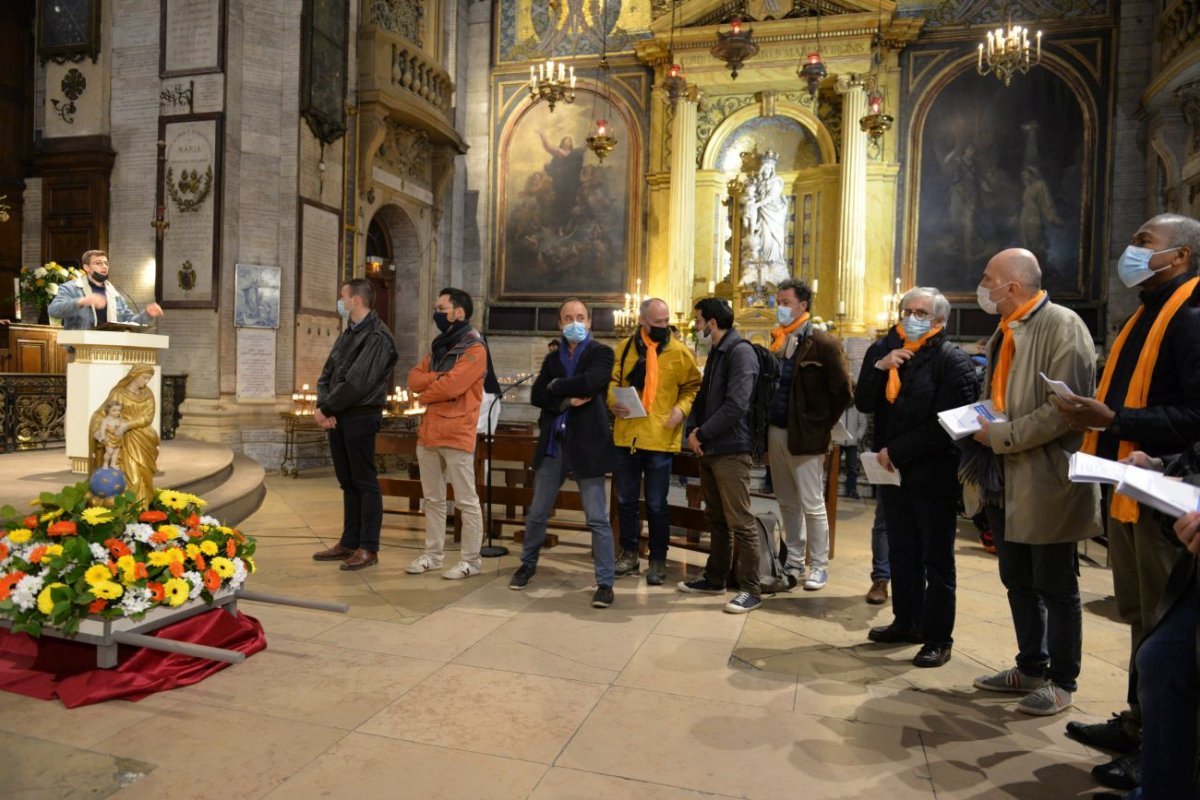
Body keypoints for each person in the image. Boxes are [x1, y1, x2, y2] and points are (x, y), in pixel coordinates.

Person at [1055, 213, 1200, 790]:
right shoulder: (1147, 314)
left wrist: (1115, 418)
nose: (1132, 250)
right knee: (1140, 616)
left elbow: (1194, 418)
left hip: (1170, 502)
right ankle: (1139, 724)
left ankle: (1159, 751)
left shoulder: (1190, 320)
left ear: (1181, 256)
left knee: (1164, 630)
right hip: (1130, 484)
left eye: (1145, 242)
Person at [969, 248, 1100, 715]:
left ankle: (1063, 681)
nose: (982, 286)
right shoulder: (1006, 329)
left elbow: (1064, 412)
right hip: (1004, 475)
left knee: (1056, 584)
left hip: (1045, 480)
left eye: (988, 278)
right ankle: (1030, 667)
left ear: (1013, 286)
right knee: (1017, 578)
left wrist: (1000, 434)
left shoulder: (1062, 326)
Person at [854, 287, 978, 668]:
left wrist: (898, 451)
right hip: (893, 471)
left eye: (920, 311)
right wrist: (880, 368)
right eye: (906, 309)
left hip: (932, 472)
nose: (910, 316)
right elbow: (863, 402)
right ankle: (907, 621)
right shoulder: (885, 351)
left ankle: (938, 637)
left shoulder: (951, 360)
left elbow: (949, 425)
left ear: (939, 321)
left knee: (936, 558)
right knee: (903, 551)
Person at [509, 299, 618, 608]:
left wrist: (557, 386)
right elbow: (538, 395)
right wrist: (567, 400)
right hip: (554, 444)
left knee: (597, 518)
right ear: (559, 323)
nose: (575, 322)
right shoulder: (553, 358)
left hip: (588, 444)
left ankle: (605, 583)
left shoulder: (601, 353)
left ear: (589, 322)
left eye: (580, 317)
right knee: (538, 512)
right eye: (568, 318)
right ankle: (527, 564)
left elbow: (592, 382)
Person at [676, 298, 762, 613]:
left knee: (740, 520)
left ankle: (751, 589)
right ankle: (715, 578)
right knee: (717, 518)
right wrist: (692, 430)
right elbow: (702, 396)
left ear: (712, 322)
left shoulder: (741, 352)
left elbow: (737, 405)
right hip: (711, 447)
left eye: (698, 321)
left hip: (732, 448)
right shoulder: (717, 351)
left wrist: (702, 433)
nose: (695, 327)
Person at [609, 297, 702, 585]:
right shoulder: (625, 349)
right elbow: (612, 381)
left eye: (666, 321)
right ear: (642, 321)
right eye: (657, 322)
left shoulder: (678, 352)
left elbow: (693, 387)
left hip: (661, 436)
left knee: (656, 503)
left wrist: (681, 410)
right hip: (628, 435)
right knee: (625, 501)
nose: (664, 326)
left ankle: (658, 560)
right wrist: (613, 401)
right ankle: (628, 554)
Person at [767, 278, 851, 591]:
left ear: (803, 305)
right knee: (787, 502)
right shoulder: (777, 341)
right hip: (776, 429)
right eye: (779, 301)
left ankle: (819, 566)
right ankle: (793, 561)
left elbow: (843, 390)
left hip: (806, 434)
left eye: (786, 302)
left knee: (812, 504)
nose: (781, 308)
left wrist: (819, 424)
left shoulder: (823, 343)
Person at [311, 280, 399, 571]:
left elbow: (358, 382)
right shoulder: (348, 332)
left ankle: (368, 547)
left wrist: (327, 407)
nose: (340, 301)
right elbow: (327, 374)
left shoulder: (378, 336)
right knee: (347, 481)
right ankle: (349, 541)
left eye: (343, 297)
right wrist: (325, 407)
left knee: (364, 482)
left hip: (361, 414)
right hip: (339, 415)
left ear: (357, 300)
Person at [406, 288, 489, 580]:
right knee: (433, 499)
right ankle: (433, 555)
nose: (437, 313)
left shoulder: (474, 349)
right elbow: (413, 378)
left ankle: (471, 561)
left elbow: (454, 387)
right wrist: (436, 381)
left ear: (459, 313)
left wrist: (428, 392)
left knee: (466, 501)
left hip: (456, 431)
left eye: (442, 308)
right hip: (429, 432)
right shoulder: (439, 347)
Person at [88, 364, 158, 508]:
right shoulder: (118, 393)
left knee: (144, 473)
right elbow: (102, 413)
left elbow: (148, 417)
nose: (146, 382)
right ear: (135, 375)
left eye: (149, 379)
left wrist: (127, 425)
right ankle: (127, 507)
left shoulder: (148, 393)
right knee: (129, 475)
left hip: (142, 437)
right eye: (145, 378)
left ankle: (142, 504)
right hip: (120, 439)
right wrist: (98, 431)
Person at [48, 250, 164, 330]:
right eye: (98, 263)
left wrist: (147, 314)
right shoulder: (71, 288)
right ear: (86, 267)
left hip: (109, 349)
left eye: (106, 263)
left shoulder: (114, 294)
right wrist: (83, 301)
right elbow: (53, 310)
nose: (104, 267)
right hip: (79, 350)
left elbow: (128, 322)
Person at [835, 404, 868, 500]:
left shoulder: (857, 407)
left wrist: (858, 437)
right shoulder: (839, 403)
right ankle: (831, 489)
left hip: (852, 443)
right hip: (838, 441)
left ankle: (851, 491)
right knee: (834, 467)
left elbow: (863, 424)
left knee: (852, 467)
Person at [93, 401, 123, 469]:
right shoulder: (106, 420)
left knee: (116, 452)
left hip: (117, 438)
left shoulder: (119, 419)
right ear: (108, 410)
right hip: (109, 438)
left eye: (119, 410)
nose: (117, 412)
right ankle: (105, 463)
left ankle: (113, 463)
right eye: (114, 410)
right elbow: (102, 429)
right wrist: (103, 436)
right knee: (109, 451)